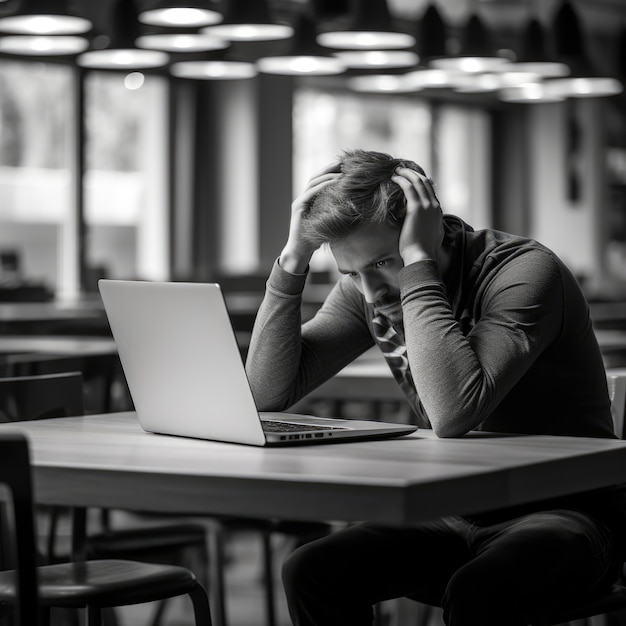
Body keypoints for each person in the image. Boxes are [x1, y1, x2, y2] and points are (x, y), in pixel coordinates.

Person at [244, 149, 626, 626]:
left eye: (385, 261)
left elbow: (453, 413)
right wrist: (293, 257)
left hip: (573, 512)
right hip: (456, 508)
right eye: (352, 273)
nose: (371, 291)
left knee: (479, 591)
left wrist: (417, 263)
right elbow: (264, 393)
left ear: (433, 228)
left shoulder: (524, 271)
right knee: (312, 569)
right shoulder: (368, 287)